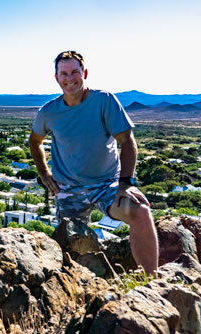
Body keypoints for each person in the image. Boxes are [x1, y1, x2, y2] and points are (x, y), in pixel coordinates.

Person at [29, 51, 158, 274]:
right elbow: (34, 141)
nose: (70, 78)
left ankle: (151, 282)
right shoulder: (48, 112)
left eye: (75, 72)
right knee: (67, 249)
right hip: (68, 189)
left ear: (85, 73)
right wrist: (44, 174)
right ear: (57, 78)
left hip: (106, 185)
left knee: (141, 212)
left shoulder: (104, 101)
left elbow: (127, 141)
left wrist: (125, 183)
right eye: (64, 73)